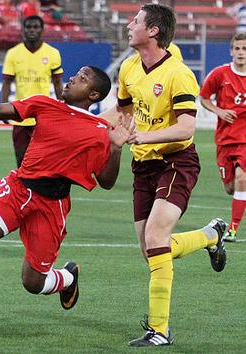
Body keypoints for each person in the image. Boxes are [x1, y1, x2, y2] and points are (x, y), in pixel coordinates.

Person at [0, 66, 133, 334]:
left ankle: (67, 278)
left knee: (33, 282)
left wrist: (115, 149)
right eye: (75, 74)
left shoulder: (101, 131)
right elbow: (1, 110)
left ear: (93, 94)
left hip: (51, 205)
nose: (71, 79)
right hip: (18, 188)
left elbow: (107, 182)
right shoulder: (45, 104)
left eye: (81, 78)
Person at [101, 4, 227, 346]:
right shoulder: (129, 67)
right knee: (150, 250)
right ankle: (210, 235)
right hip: (142, 166)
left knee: (156, 239)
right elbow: (123, 111)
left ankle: (159, 330)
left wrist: (144, 135)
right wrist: (86, 121)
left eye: (137, 20)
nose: (130, 24)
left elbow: (186, 128)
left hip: (176, 161)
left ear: (153, 30)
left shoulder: (179, 74)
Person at [200, 32, 246, 242]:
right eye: (237, 48)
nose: (241, 53)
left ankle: (233, 228)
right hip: (225, 139)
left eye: (244, 49)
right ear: (231, 51)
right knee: (230, 187)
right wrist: (219, 111)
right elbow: (203, 97)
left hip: (244, 140)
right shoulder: (220, 74)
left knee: (241, 179)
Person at [1, 15, 64, 167]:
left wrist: (63, 107)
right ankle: (23, 190)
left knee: (44, 160)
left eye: (36, 27)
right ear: (23, 30)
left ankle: (40, 190)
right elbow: (7, 83)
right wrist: (3, 107)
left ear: (42, 30)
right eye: (28, 27)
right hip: (20, 115)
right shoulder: (13, 53)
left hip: (43, 116)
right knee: (21, 161)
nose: (32, 30)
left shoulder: (53, 53)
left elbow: (57, 82)